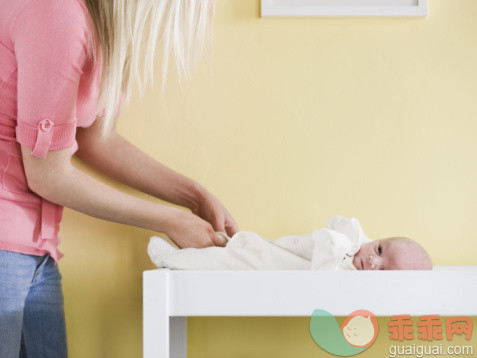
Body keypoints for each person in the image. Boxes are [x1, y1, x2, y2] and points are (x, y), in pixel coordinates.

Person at [0, 0, 236, 357]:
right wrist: (170, 219)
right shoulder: (57, 14)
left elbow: (95, 137)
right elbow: (48, 175)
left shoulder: (99, 30)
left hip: (34, 249)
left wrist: (193, 196)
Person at [148, 216, 432, 271]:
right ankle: (188, 247)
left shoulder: (348, 278)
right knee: (227, 245)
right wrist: (350, 243)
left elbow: (325, 272)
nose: (372, 261)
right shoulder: (353, 237)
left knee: (222, 262)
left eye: (382, 271)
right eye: (380, 250)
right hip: (272, 248)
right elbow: (337, 225)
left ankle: (174, 260)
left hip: (267, 265)